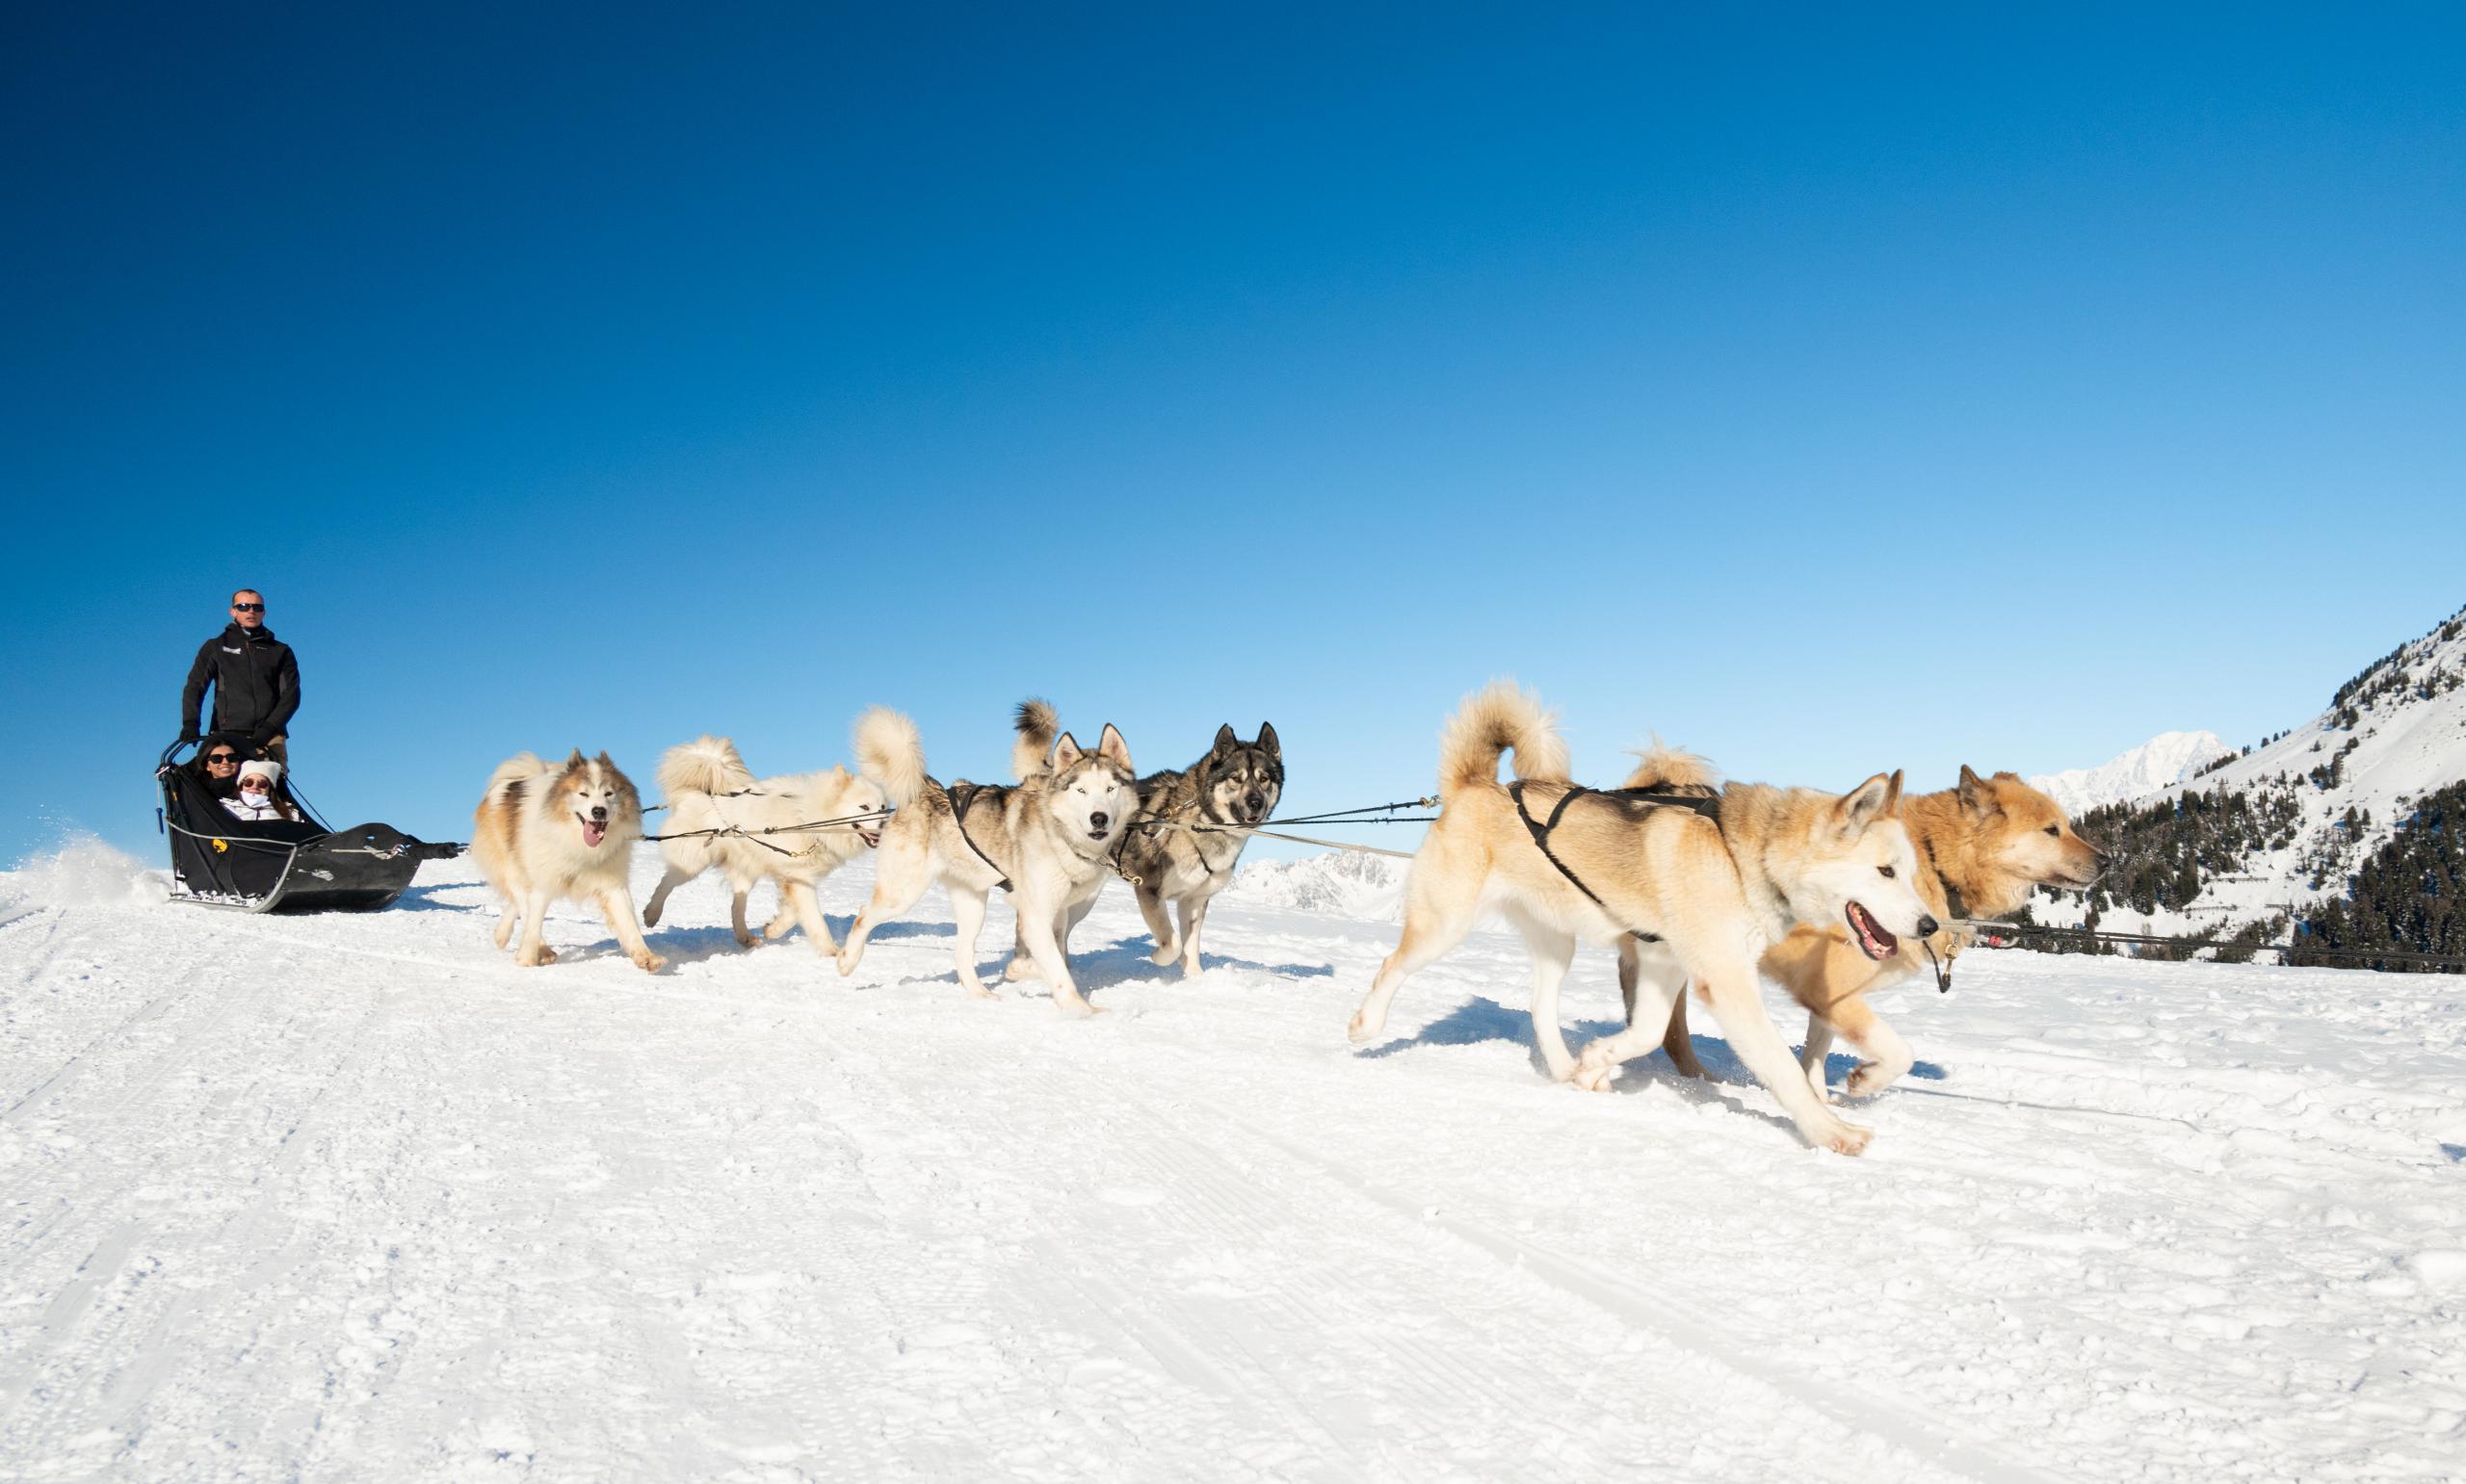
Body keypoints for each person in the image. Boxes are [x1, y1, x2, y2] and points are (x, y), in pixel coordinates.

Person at [180, 587, 301, 763]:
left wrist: (269, 728)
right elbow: (195, 686)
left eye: (257, 607)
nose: (251, 611)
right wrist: (191, 722)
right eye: (244, 606)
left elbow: (291, 695)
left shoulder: (280, 651)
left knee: (267, 787)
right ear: (233, 611)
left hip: (269, 736)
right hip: (227, 734)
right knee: (225, 788)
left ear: (264, 613)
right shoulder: (216, 646)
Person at [224, 760, 302, 823]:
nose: (255, 787)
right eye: (249, 782)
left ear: (270, 788)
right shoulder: (226, 808)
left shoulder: (290, 813)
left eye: (262, 784)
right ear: (241, 785)